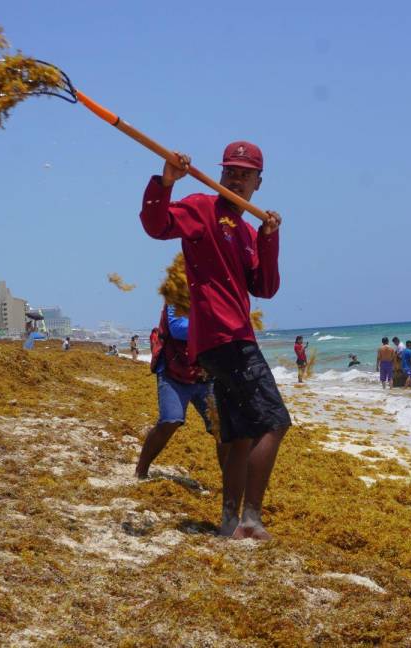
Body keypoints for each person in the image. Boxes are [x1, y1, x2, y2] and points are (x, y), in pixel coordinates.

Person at [140, 140, 289, 540]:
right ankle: (251, 520)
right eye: (230, 171)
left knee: (239, 434)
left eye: (245, 173)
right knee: (274, 423)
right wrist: (166, 182)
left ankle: (228, 523)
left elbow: (265, 287)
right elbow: (157, 226)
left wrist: (268, 237)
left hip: (218, 344)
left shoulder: (243, 229)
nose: (236, 178)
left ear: (259, 181)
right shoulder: (203, 208)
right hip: (227, 338)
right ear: (221, 173)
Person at [136, 304, 214, 479]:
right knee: (170, 420)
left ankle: (231, 486)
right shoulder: (176, 288)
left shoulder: (212, 293)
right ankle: (141, 471)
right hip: (173, 371)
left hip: (204, 373)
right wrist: (215, 323)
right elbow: (178, 328)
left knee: (222, 429)